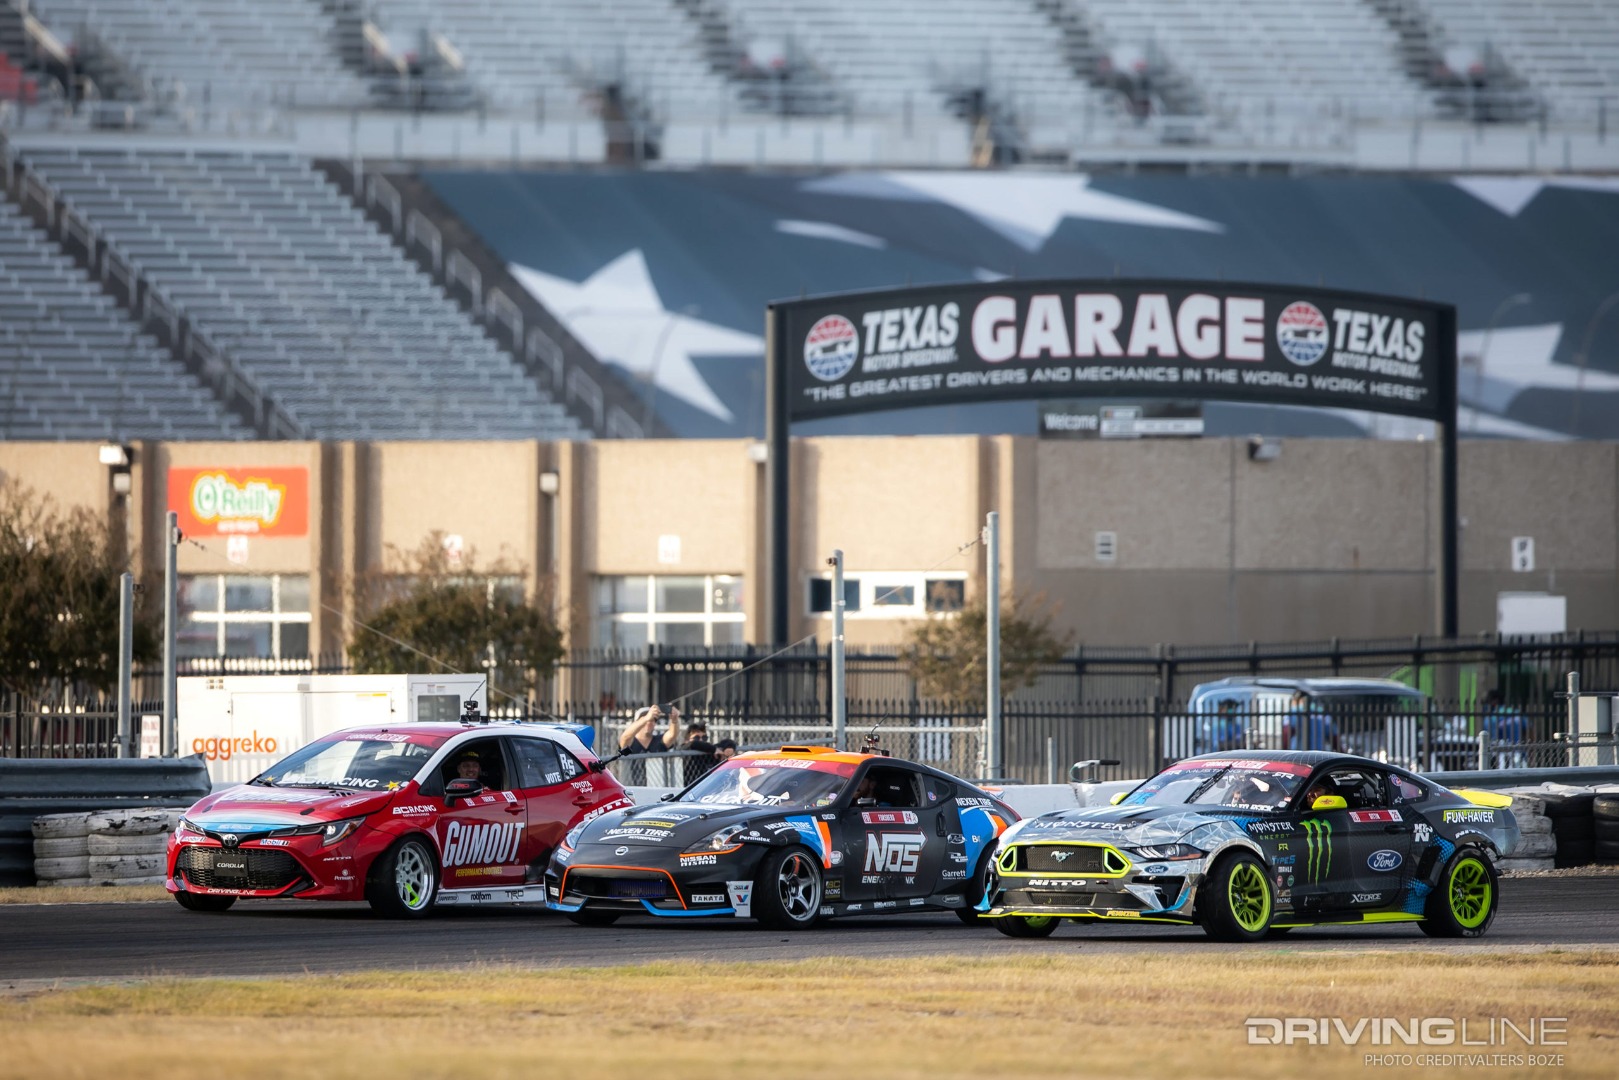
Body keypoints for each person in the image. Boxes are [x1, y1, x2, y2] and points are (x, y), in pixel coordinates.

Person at [1481, 689, 1528, 768]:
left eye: (1487, 701)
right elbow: (1530, 730)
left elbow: (1491, 740)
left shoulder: (1491, 718)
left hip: (1502, 758)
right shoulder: (1516, 712)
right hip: (1519, 753)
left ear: (1495, 701)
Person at [679, 719, 717, 785]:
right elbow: (693, 743)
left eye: (704, 738)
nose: (701, 740)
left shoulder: (708, 749)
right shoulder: (685, 747)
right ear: (687, 739)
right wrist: (714, 749)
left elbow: (726, 743)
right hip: (690, 786)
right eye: (696, 738)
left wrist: (728, 748)